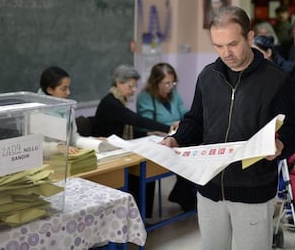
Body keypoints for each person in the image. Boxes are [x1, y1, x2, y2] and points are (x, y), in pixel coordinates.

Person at [161, 6, 295, 250]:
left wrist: (280, 145)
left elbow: (294, 128)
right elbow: (195, 120)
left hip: (254, 190)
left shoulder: (276, 79)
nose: (225, 53)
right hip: (208, 188)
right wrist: (175, 139)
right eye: (218, 45)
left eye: (232, 43)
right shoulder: (208, 76)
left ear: (249, 37)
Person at [92, 64, 174, 218]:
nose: (134, 90)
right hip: (106, 154)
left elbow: (125, 127)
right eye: (131, 86)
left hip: (118, 147)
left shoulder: (119, 100)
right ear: (118, 83)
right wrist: (168, 128)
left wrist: (151, 131)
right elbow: (135, 119)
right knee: (142, 174)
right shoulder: (111, 103)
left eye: (136, 86)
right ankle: (137, 218)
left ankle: (143, 217)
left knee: (148, 168)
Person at [137, 63, 196, 212]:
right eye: (166, 83)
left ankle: (183, 195)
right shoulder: (145, 98)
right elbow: (147, 124)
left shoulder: (174, 94)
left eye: (173, 82)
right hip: (157, 141)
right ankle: (182, 196)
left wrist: (183, 122)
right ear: (156, 82)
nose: (170, 86)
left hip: (175, 139)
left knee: (191, 160)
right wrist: (172, 124)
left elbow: (185, 113)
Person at [38, 66, 82, 156]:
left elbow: (73, 138)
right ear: (50, 90)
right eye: (64, 88)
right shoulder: (35, 112)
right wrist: (58, 148)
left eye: (68, 88)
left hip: (66, 160)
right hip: (47, 163)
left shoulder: (67, 108)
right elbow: (34, 147)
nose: (68, 92)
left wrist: (94, 142)